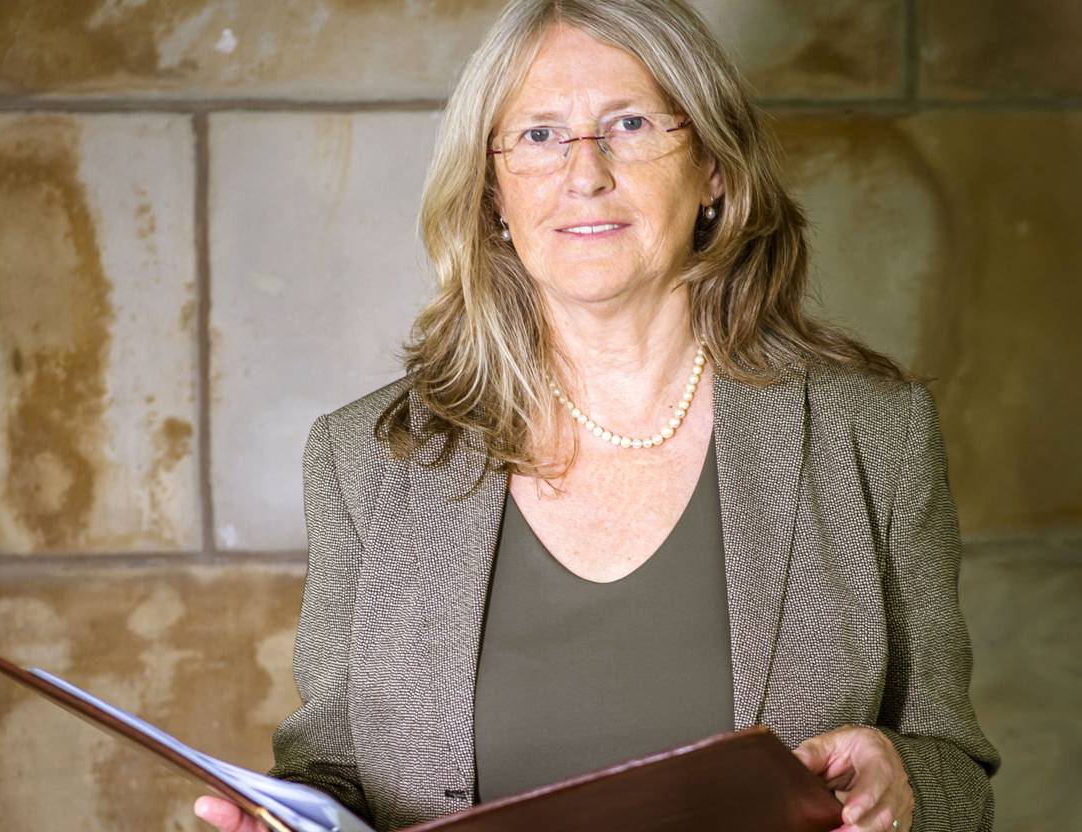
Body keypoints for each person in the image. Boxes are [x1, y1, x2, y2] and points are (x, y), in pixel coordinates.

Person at [194, 1, 1000, 831]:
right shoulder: (369, 458)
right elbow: (331, 770)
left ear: (714, 169)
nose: (584, 173)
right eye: (539, 135)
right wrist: (287, 821)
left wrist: (904, 783)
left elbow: (955, 772)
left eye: (629, 124)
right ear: (493, 190)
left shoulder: (873, 436)